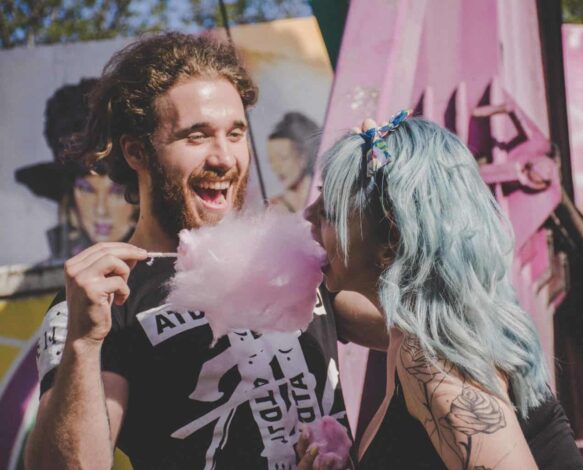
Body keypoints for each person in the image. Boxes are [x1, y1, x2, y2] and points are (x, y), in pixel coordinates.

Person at [26, 33, 348, 470]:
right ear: (137, 151)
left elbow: (415, 332)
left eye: (235, 133)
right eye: (196, 136)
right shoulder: (106, 295)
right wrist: (83, 343)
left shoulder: (291, 254)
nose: (224, 158)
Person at [305, 111, 583, 469]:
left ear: (391, 238)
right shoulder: (421, 328)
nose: (308, 218)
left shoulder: (431, 359)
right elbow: (336, 314)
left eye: (328, 212)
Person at [15, 78, 137, 263]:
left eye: (116, 192)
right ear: (70, 197)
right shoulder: (46, 281)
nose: (101, 211)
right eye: (87, 190)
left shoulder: (169, 267)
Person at [267, 112, 321, 212]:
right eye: (271, 161)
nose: (276, 168)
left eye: (282, 158)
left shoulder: (327, 201)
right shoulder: (273, 208)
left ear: (303, 157)